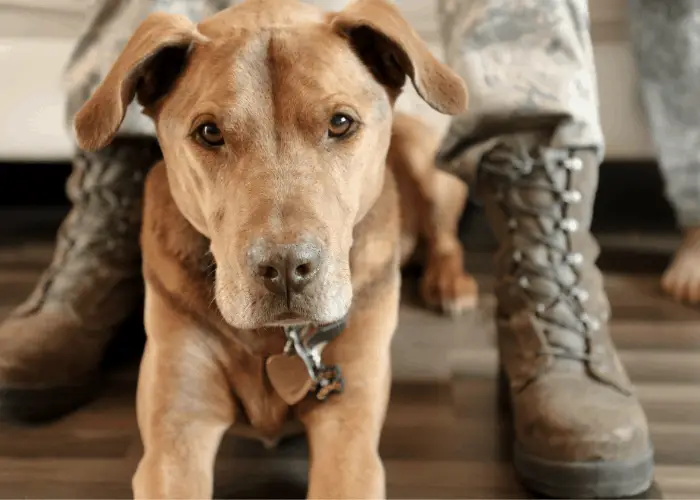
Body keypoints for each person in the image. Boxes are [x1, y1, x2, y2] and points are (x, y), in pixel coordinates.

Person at [3, 0, 697, 496]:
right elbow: (167, 468)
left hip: (372, 257)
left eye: (339, 124)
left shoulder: (369, 68)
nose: (283, 246)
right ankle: (110, 226)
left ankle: (493, 241)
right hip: (188, 267)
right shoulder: (173, 70)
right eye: (213, 135)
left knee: (426, 176)